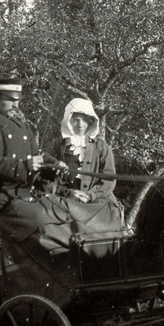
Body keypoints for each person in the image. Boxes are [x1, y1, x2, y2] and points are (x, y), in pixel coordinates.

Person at [0, 78, 112, 255]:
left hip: (24, 194)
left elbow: (37, 154)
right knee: (45, 217)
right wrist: (24, 166)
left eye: (17, 100)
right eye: (10, 100)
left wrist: (55, 165)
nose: (15, 104)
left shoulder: (21, 126)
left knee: (64, 210)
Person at [50, 97, 125, 234]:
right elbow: (51, 177)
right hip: (68, 197)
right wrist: (67, 190)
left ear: (90, 122)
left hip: (98, 199)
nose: (80, 125)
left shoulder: (101, 147)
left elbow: (109, 178)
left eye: (84, 120)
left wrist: (91, 195)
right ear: (68, 121)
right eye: (75, 120)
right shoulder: (60, 146)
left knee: (105, 227)